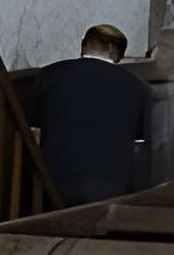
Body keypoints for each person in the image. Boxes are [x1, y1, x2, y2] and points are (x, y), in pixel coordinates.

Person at [18, 23, 150, 203]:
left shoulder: (48, 75)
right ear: (115, 51)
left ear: (84, 44)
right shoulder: (136, 86)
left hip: (53, 180)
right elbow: (140, 141)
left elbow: (33, 131)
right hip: (111, 183)